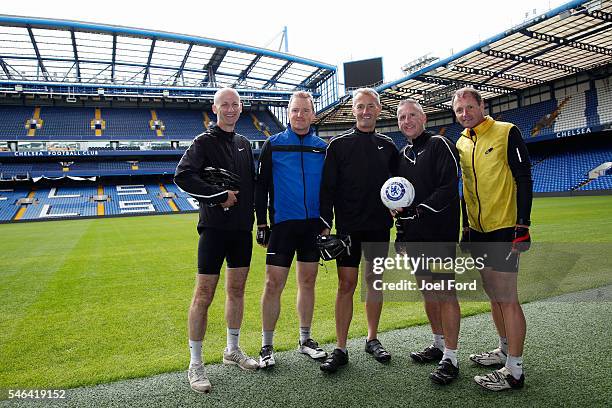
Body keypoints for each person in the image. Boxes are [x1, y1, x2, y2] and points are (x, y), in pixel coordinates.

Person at [174, 87, 258, 394]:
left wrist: (260, 221)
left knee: (236, 290)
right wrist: (219, 196)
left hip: (241, 231)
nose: (231, 109)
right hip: (213, 230)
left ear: (240, 108)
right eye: (226, 104)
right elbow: (182, 176)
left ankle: (231, 350)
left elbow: (253, 185)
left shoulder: (244, 143)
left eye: (235, 104)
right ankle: (195, 363)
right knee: (204, 294)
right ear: (215, 108)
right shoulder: (203, 142)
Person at [452, 87, 533, 391]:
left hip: (504, 228)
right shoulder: (461, 142)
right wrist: (465, 228)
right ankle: (504, 350)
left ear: (482, 105)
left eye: (470, 108)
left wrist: (522, 225)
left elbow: (524, 178)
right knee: (493, 294)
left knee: (508, 298)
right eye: (459, 111)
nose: (465, 114)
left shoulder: (506, 131)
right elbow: (466, 191)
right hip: (478, 231)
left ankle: (514, 371)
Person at [319, 88, 399, 373]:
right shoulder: (338, 146)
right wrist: (326, 226)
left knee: (374, 282)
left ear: (379, 110)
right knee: (346, 285)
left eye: (370, 107)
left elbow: (398, 185)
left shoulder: (389, 145)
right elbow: (326, 189)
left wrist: (397, 206)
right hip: (349, 229)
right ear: (353, 111)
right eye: (360, 107)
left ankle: (372, 338)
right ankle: (340, 348)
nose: (365, 112)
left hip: (379, 227)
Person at [255, 91, 328, 368]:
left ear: (313, 114)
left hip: (312, 227)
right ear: (288, 113)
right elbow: (261, 187)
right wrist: (261, 223)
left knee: (307, 282)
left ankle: (305, 340)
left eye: (304, 110)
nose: (299, 115)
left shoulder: (322, 147)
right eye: (295, 110)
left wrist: (326, 221)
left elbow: (328, 189)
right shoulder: (272, 145)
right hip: (282, 226)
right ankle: (266, 345)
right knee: (273, 284)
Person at [394, 99, 461, 385]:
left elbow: (448, 187)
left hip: (439, 232)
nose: (406, 121)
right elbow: (399, 197)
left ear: (424, 119)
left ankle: (451, 357)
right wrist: (401, 231)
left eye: (412, 115)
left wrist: (420, 210)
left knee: (445, 291)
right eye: (401, 117)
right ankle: (437, 344)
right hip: (414, 235)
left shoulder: (439, 144)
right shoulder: (403, 154)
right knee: (427, 290)